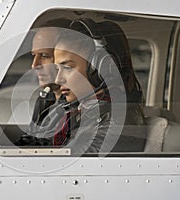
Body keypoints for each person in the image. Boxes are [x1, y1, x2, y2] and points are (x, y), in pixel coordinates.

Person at [51, 19, 146, 154]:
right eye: (57, 69)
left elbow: (71, 168)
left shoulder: (115, 123)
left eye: (67, 67)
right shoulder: (87, 112)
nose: (58, 79)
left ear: (100, 69)